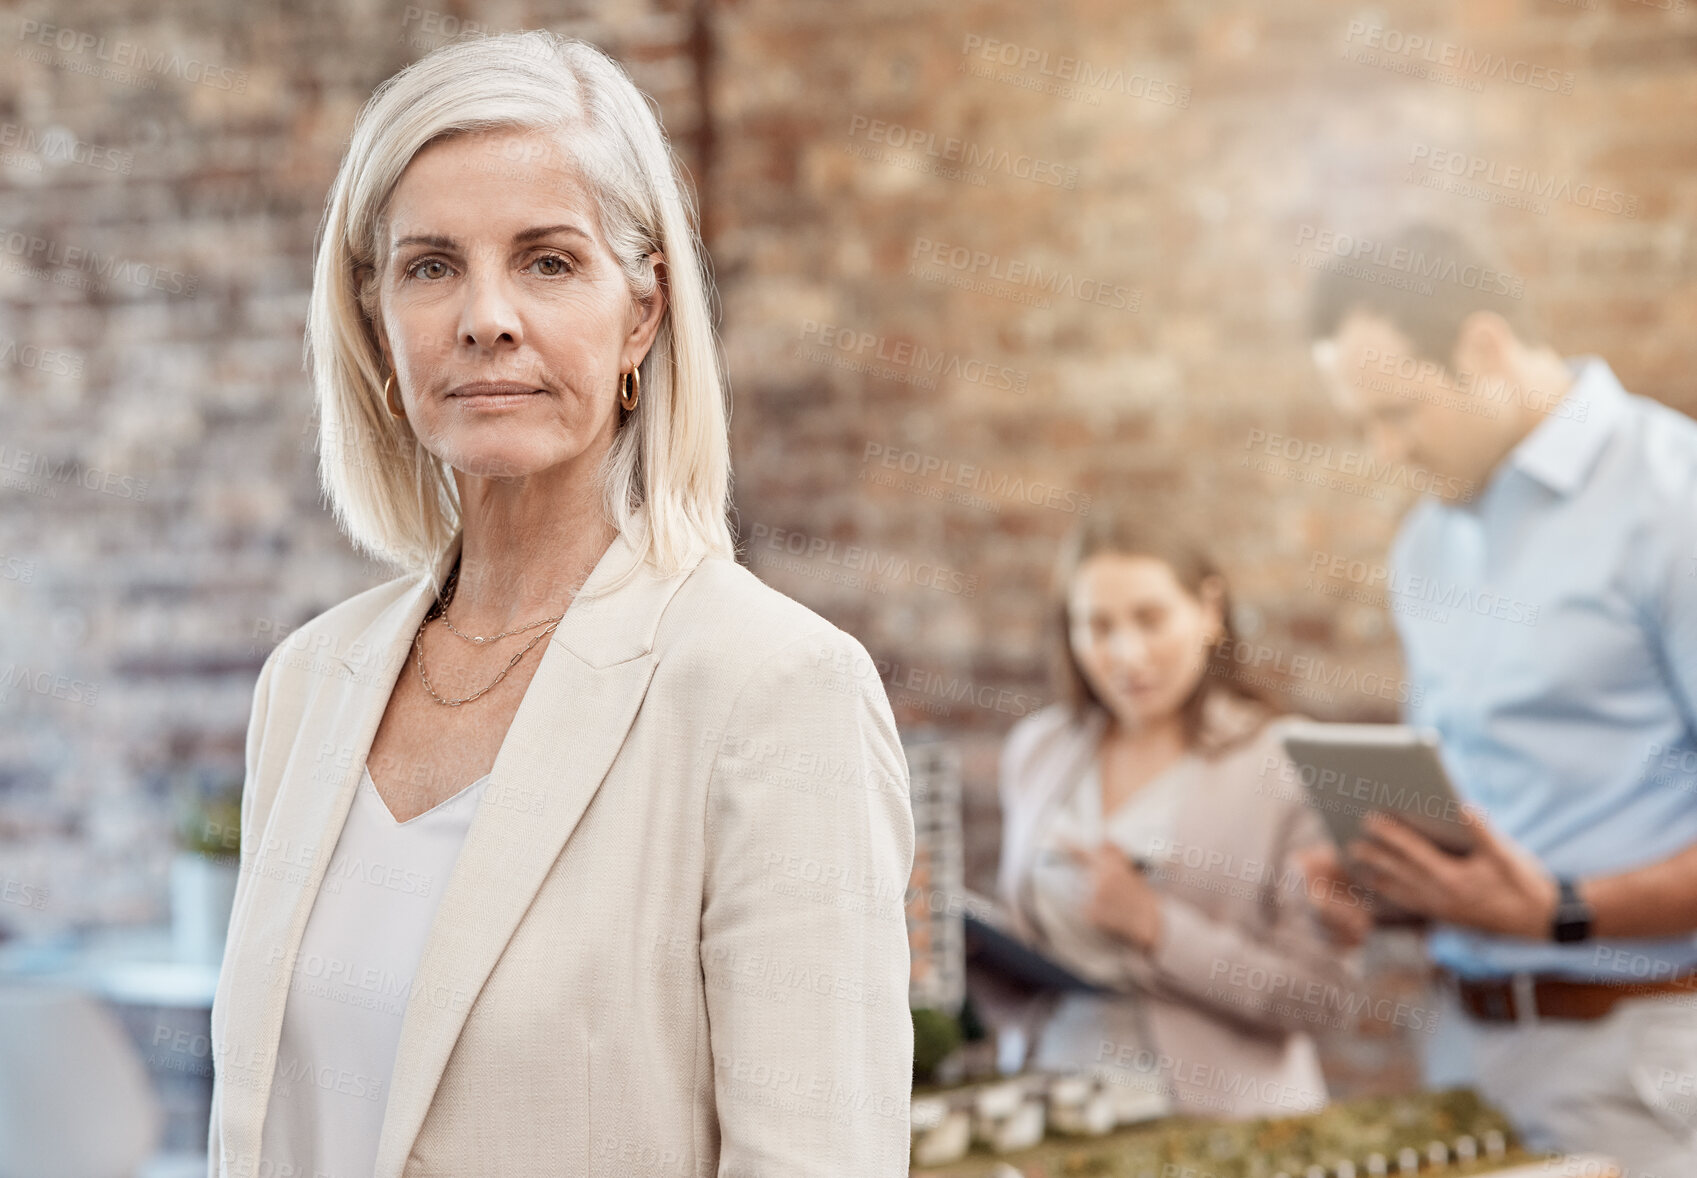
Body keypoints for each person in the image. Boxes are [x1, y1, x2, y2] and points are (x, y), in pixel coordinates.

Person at [207, 32, 915, 1178]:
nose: (485, 316)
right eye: (431, 265)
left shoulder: (772, 689)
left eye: (547, 261)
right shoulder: (306, 682)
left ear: (642, 313)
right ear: (377, 318)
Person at [1303, 222, 1697, 1175]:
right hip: (1458, 1054)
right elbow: (1481, 818)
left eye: (1397, 412)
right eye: (1361, 422)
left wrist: (1564, 909)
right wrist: (1392, 879)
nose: (1384, 448)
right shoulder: (1426, 544)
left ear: (1482, 346)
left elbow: (1542, 892)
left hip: (1635, 1064)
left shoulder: (1672, 499)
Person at [993, 504, 1368, 1118]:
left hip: (1222, 1129)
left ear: (1210, 611)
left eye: (1150, 618)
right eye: (1097, 625)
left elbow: (1318, 998)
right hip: (1054, 1114)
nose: (1125, 654)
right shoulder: (1039, 750)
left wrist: (1154, 926)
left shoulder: (1285, 763)